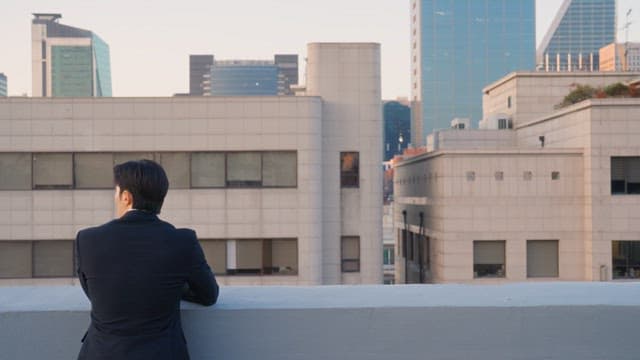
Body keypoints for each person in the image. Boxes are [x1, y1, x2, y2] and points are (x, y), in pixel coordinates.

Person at [75, 159, 219, 360]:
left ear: (126, 197)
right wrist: (173, 287)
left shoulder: (88, 239)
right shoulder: (182, 240)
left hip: (102, 353)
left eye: (116, 192)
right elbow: (209, 295)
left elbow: (95, 294)